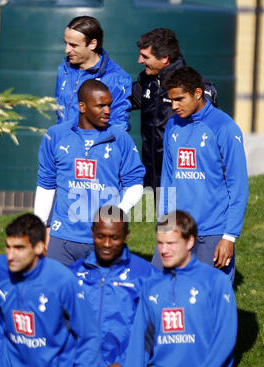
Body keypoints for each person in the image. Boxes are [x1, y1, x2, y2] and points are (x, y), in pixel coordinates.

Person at [0, 213, 100, 367]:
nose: (10, 255)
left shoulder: (61, 281)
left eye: (19, 248)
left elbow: (89, 335)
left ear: (40, 247)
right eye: (8, 246)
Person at [116, 210, 238, 367]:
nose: (163, 250)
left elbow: (225, 337)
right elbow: (139, 346)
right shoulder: (151, 285)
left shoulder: (214, 282)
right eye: (160, 243)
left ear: (190, 242)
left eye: (171, 243)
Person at [34, 79, 145, 266]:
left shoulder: (120, 138)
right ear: (82, 106)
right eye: (100, 106)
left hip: (103, 239)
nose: (108, 111)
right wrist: (39, 229)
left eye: (109, 105)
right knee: (57, 293)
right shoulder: (56, 135)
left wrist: (119, 212)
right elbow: (46, 185)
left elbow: (134, 184)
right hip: (62, 238)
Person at [153, 66, 248, 282]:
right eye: (171, 100)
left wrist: (229, 237)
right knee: (157, 294)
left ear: (197, 93)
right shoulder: (172, 126)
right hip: (176, 229)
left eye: (180, 99)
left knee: (209, 305)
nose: (174, 106)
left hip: (213, 233)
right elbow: (168, 179)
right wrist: (164, 224)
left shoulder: (225, 127)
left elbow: (238, 186)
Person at [68, 205, 158, 367]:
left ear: (127, 235)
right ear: (92, 232)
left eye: (114, 238)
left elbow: (153, 330)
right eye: (101, 236)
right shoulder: (71, 275)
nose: (107, 244)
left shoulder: (145, 275)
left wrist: (126, 366)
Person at [132, 28, 217, 192]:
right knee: (155, 216)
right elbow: (116, 100)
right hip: (151, 179)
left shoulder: (196, 89)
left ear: (165, 58)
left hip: (184, 180)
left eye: (145, 56)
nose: (139, 60)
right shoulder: (146, 82)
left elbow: (214, 134)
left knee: (179, 217)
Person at [55, 15, 132, 130]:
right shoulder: (63, 70)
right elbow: (60, 114)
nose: (67, 50)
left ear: (92, 44)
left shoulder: (118, 78)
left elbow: (118, 126)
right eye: (66, 43)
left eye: (73, 45)